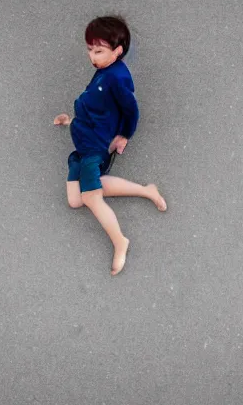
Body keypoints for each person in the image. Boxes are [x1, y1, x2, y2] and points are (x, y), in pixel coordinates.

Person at [53, 16, 167, 276]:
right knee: (75, 200)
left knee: (91, 197)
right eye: (89, 50)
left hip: (96, 145)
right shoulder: (104, 70)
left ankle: (120, 241)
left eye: (99, 51)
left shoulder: (117, 78)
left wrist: (125, 134)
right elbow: (94, 103)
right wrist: (70, 119)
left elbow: (131, 110)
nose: (92, 56)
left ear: (117, 51)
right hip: (82, 139)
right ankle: (146, 190)